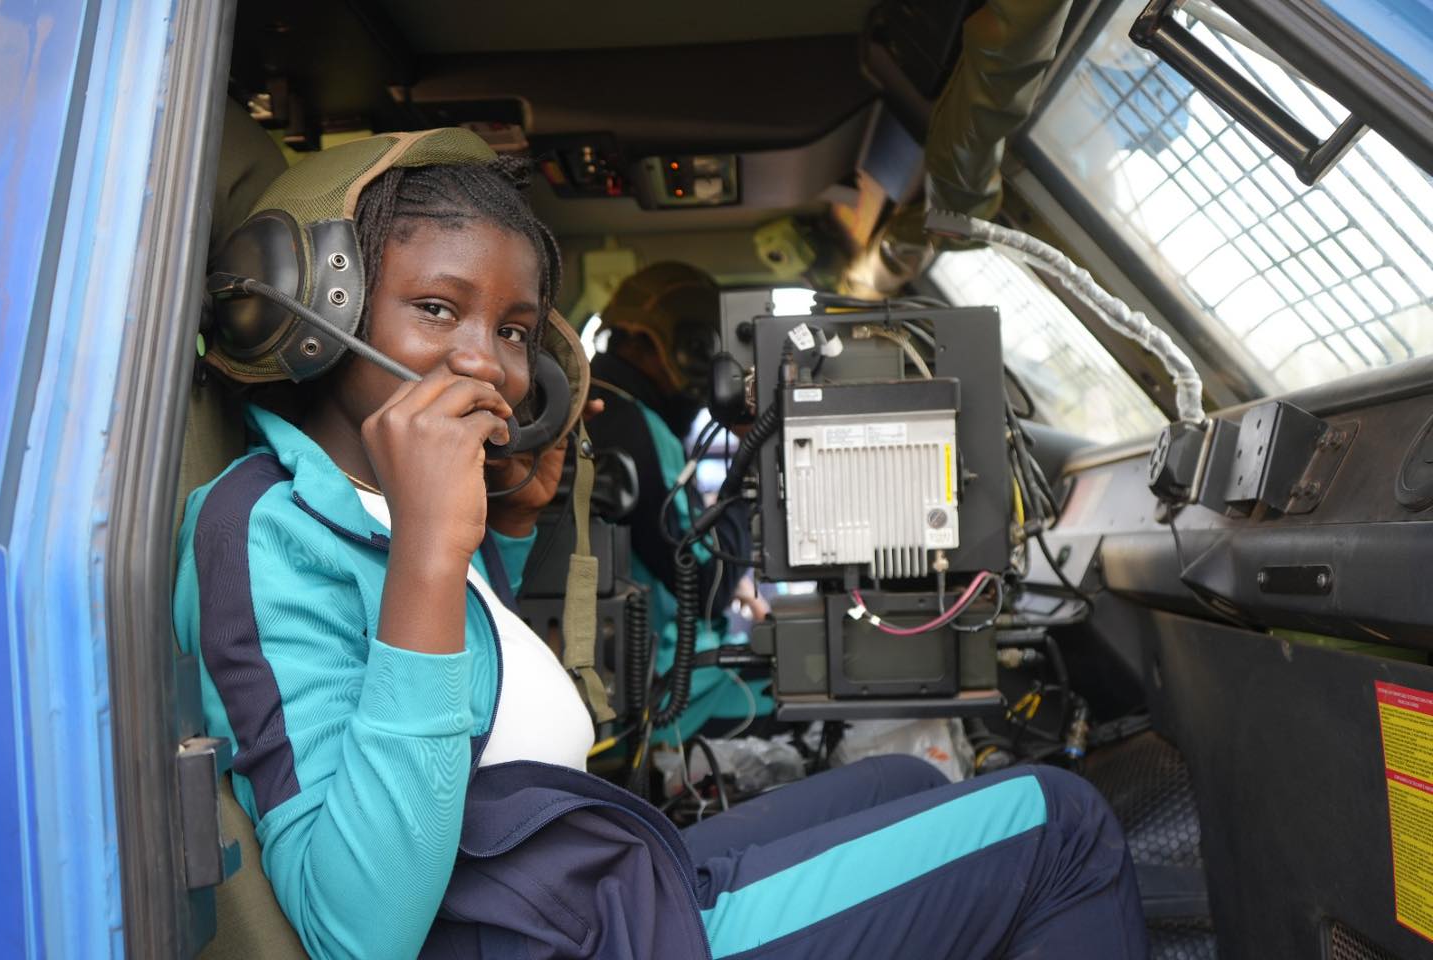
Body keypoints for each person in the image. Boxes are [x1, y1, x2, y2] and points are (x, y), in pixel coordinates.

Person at [175, 128, 1147, 960]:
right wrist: (433, 554)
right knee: (1061, 822)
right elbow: (359, 931)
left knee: (905, 776)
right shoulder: (267, 532)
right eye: (437, 308)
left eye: (515, 329)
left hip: (582, 873)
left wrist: (490, 529)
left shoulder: (405, 484)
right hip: (566, 933)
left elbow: (482, 698)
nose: (489, 362)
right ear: (311, 308)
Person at [585, 262, 775, 740]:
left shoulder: (594, 404)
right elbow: (709, 579)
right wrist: (749, 458)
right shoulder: (632, 424)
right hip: (668, 693)